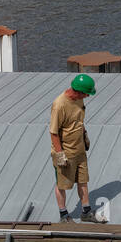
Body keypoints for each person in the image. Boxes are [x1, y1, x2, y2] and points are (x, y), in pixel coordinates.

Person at [49, 73, 96, 222]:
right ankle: (63, 214)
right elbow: (54, 132)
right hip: (66, 152)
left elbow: (78, 121)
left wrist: (84, 135)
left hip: (79, 149)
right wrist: (60, 154)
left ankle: (86, 212)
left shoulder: (79, 99)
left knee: (83, 180)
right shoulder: (59, 105)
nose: (87, 96)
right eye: (86, 93)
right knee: (62, 184)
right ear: (78, 91)